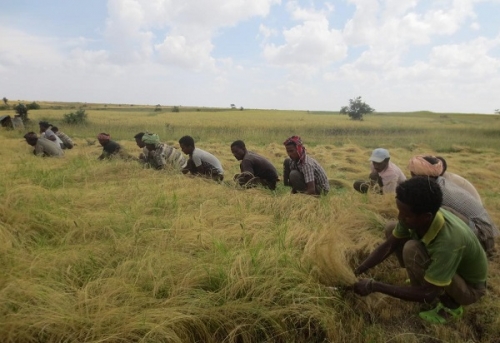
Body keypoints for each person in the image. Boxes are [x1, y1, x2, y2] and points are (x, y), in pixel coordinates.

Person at [353, 177, 488, 324]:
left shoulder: (449, 242)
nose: (400, 217)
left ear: (425, 217)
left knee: (412, 249)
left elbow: (429, 294)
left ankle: (451, 306)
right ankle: (420, 281)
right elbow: (389, 245)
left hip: (468, 288)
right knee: (392, 228)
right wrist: (359, 270)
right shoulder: (419, 213)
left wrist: (374, 286)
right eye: (400, 211)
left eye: (405, 215)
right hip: (450, 268)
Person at [408, 155, 497, 258]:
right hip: (481, 232)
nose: (411, 177)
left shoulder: (436, 191)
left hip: (482, 237)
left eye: (413, 174)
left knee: (439, 212)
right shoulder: (439, 181)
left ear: (422, 176)